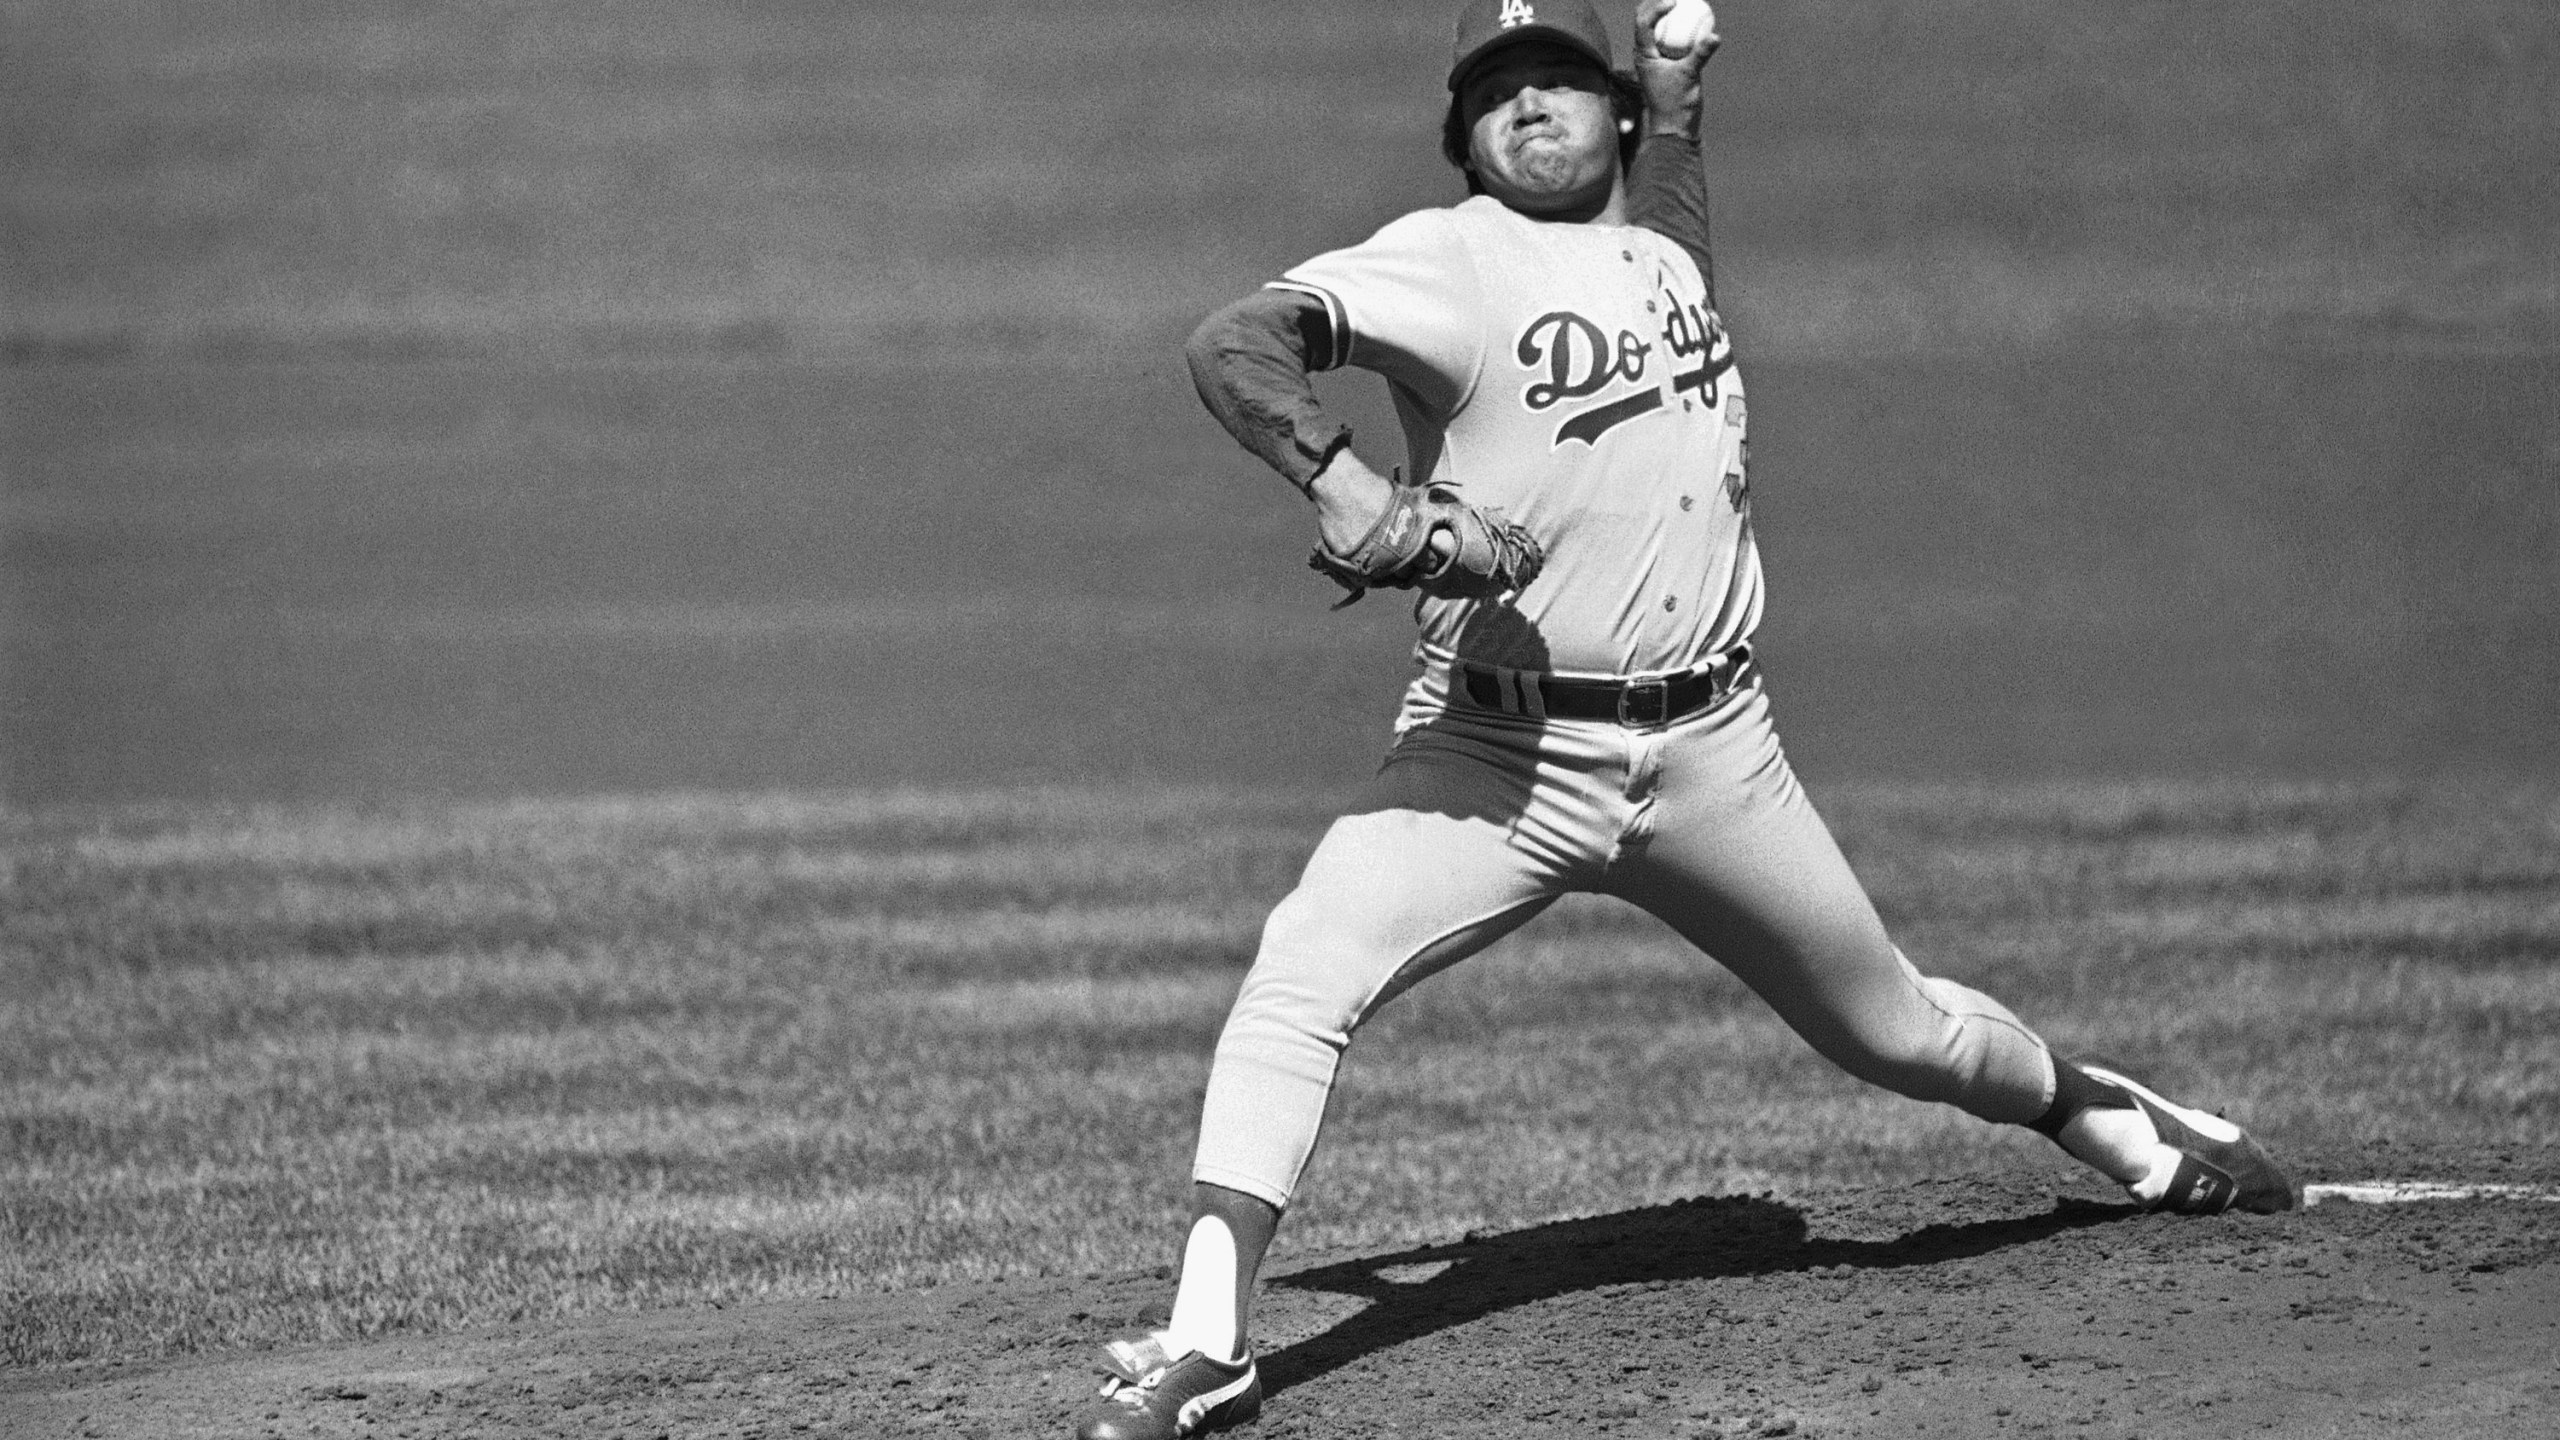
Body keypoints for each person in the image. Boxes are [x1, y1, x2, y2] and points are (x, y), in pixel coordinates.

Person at [1071, 4, 2297, 1437]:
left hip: (1722, 757)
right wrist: (1343, 480)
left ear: (1614, 115)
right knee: (1301, 971)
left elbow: (1672, 253)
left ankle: (2117, 1124)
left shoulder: (1657, 254)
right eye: (1496, 92)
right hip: (1497, 756)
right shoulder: (1449, 256)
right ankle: (1212, 1343)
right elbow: (1238, 343)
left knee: (1897, 1033)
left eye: (1558, 84)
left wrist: (1677, 102)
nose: (1529, 108)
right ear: (1461, 136)